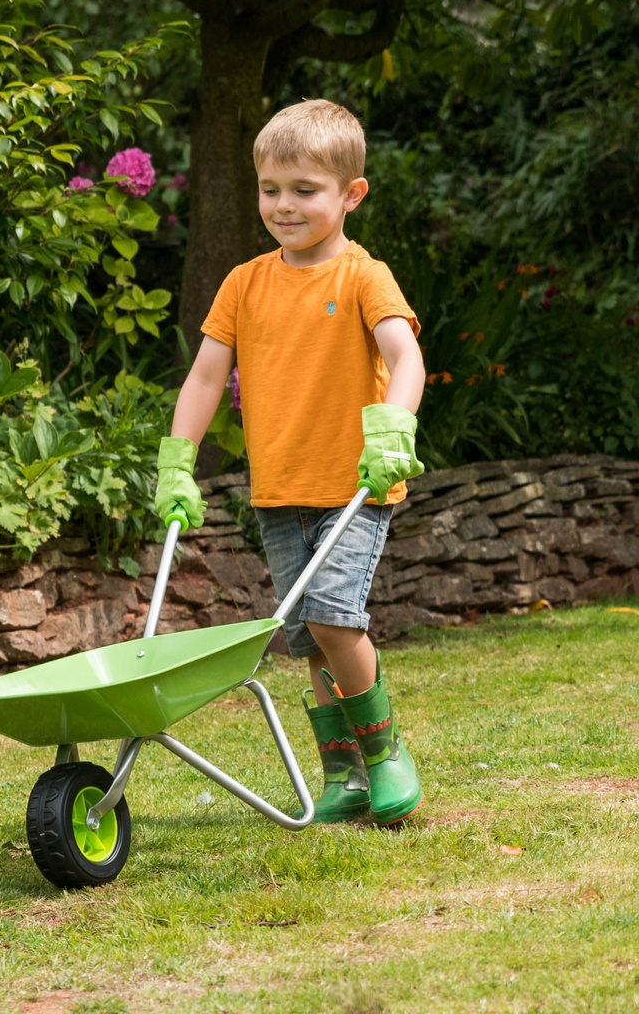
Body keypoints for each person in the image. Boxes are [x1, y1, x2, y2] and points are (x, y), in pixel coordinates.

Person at [155, 99, 426, 825]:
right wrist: (178, 462)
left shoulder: (364, 277)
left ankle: (385, 750)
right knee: (309, 636)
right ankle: (343, 775)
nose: (284, 205)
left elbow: (406, 356)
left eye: (305, 190)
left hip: (354, 485)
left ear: (350, 195)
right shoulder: (245, 283)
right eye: (271, 189)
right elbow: (206, 376)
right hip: (279, 489)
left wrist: (394, 429)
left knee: (337, 620)